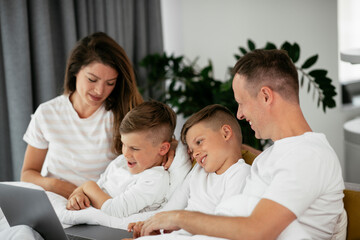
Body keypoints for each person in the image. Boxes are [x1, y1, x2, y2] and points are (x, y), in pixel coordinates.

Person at [131, 49, 345, 239]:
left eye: (242, 102)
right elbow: (231, 151)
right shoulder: (274, 155)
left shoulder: (308, 156)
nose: (240, 114)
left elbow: (258, 231)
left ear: (265, 96)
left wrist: (180, 218)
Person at [20, 32, 144, 199]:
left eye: (110, 83)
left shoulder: (124, 114)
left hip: (101, 204)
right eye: (92, 79)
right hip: (56, 199)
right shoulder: (47, 113)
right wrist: (56, 185)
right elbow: (28, 174)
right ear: (75, 71)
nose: (100, 91)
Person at [128, 104, 251, 238]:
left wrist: (176, 223)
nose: (195, 154)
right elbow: (171, 209)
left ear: (226, 133)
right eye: (191, 151)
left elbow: (224, 227)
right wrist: (149, 224)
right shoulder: (198, 171)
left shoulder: (240, 173)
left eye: (199, 142)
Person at [66, 101, 176, 218]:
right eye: (124, 144)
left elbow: (114, 210)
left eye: (134, 148)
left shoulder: (155, 179)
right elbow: (98, 189)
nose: (126, 153)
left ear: (163, 149)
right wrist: (79, 195)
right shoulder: (120, 162)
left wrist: (86, 186)